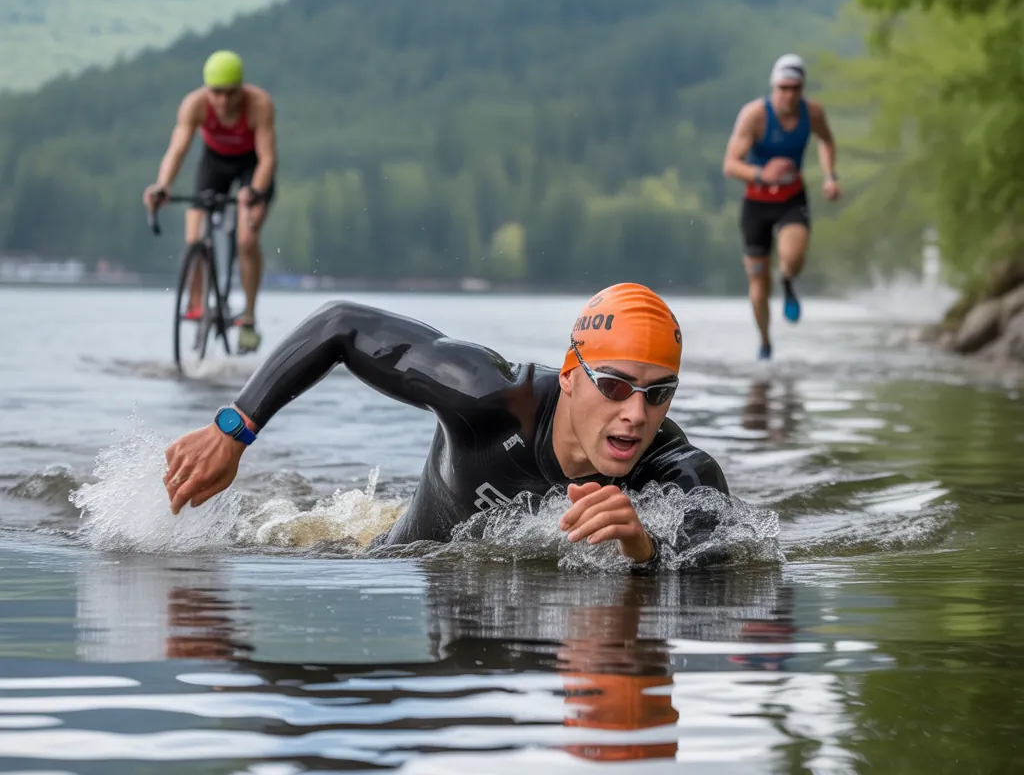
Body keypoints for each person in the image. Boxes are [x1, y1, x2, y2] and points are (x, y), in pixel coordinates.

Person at [162, 282, 729, 567]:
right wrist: (234, 429)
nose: (636, 414)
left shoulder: (679, 473)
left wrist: (644, 550)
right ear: (569, 376)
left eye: (659, 394)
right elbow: (341, 324)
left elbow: (717, 577)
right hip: (391, 565)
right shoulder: (489, 396)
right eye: (614, 385)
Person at [143, 49, 277, 354]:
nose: (223, 101)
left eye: (231, 93)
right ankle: (196, 304)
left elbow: (268, 158)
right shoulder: (195, 105)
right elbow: (177, 151)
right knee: (194, 237)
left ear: (241, 88)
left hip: (252, 166)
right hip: (214, 164)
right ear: (207, 90)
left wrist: (254, 191)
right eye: (216, 93)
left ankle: (249, 317)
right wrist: (162, 186)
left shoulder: (259, 104)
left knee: (246, 239)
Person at [722, 54, 841, 360]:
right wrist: (762, 174)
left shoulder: (812, 113)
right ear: (774, 86)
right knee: (758, 284)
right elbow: (731, 165)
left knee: (793, 257)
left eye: (795, 88)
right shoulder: (755, 115)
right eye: (784, 88)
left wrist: (830, 175)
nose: (789, 94)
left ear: (802, 88)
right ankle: (765, 343)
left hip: (791, 199)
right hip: (756, 204)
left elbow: (826, 141)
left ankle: (787, 280)